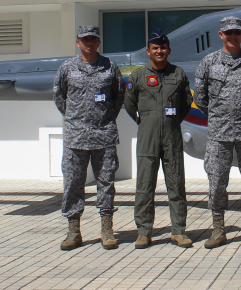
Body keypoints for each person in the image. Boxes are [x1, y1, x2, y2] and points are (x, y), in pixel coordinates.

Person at [194, 16, 241, 249]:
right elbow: (200, 98)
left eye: (237, 33)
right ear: (221, 35)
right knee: (216, 182)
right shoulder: (208, 63)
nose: (233, 36)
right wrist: (220, 116)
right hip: (219, 134)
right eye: (229, 33)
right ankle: (219, 230)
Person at [53, 25, 126, 250]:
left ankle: (107, 229)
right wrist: (77, 119)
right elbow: (59, 98)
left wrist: (103, 119)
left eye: (93, 39)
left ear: (98, 41)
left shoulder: (110, 67)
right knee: (73, 183)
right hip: (76, 138)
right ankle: (74, 231)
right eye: (85, 39)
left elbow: (118, 96)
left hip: (103, 135)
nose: (89, 43)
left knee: (106, 183)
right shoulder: (67, 68)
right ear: (78, 42)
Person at [125, 28, 193, 249]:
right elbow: (129, 103)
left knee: (176, 184)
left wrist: (171, 122)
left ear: (169, 50)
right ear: (148, 51)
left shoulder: (179, 74)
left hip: (172, 137)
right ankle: (144, 232)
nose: (160, 51)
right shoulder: (138, 76)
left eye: (163, 47)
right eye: (155, 48)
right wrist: (145, 121)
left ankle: (179, 231)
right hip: (147, 138)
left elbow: (185, 104)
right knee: (145, 186)